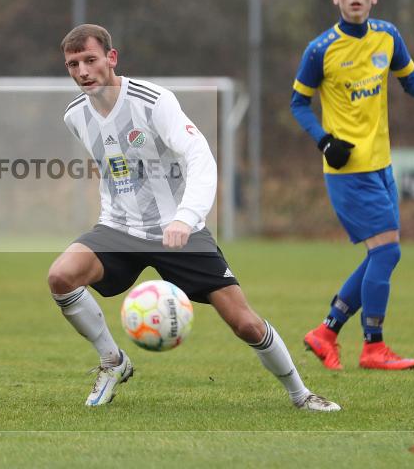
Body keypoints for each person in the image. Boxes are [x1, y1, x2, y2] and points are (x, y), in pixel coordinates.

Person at [48, 24, 340, 411]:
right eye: (73, 64)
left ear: (111, 58)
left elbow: (199, 156)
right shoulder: (75, 116)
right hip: (119, 229)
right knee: (61, 277)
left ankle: (301, 395)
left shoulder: (153, 101)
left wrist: (185, 217)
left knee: (245, 323)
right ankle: (112, 361)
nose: (83, 71)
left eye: (90, 60)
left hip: (179, 230)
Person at [291, 0, 414, 371]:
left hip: (382, 165)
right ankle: (373, 347)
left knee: (379, 256)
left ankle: (326, 332)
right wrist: (325, 141)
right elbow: (299, 103)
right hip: (348, 172)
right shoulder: (320, 49)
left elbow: (408, 78)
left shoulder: (387, 36)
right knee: (387, 255)